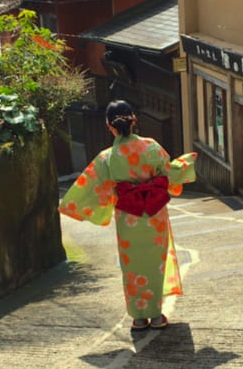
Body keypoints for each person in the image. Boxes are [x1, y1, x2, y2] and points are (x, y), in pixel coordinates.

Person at [58, 100, 197, 330]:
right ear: (133, 120)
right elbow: (169, 174)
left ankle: (139, 317)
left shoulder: (107, 158)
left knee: (132, 267)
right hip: (154, 216)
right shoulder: (151, 147)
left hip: (128, 220)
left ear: (109, 126)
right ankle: (157, 315)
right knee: (155, 263)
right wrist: (186, 164)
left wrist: (71, 205)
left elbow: (91, 187)